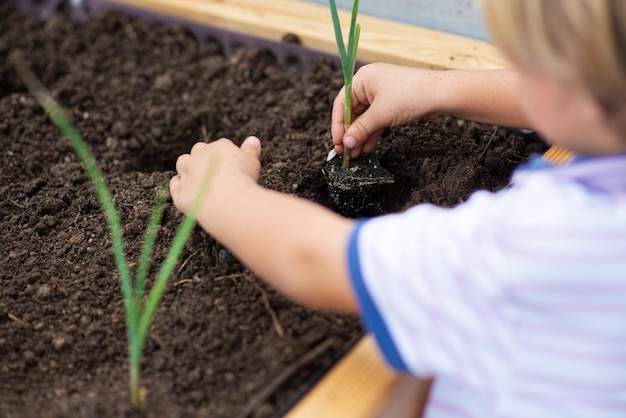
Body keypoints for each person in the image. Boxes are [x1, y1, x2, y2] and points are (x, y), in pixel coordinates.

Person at [169, 0, 626, 416]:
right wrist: (436, 88)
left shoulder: (530, 244)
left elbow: (316, 259)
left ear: (575, 94)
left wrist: (223, 193)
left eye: (524, 66)